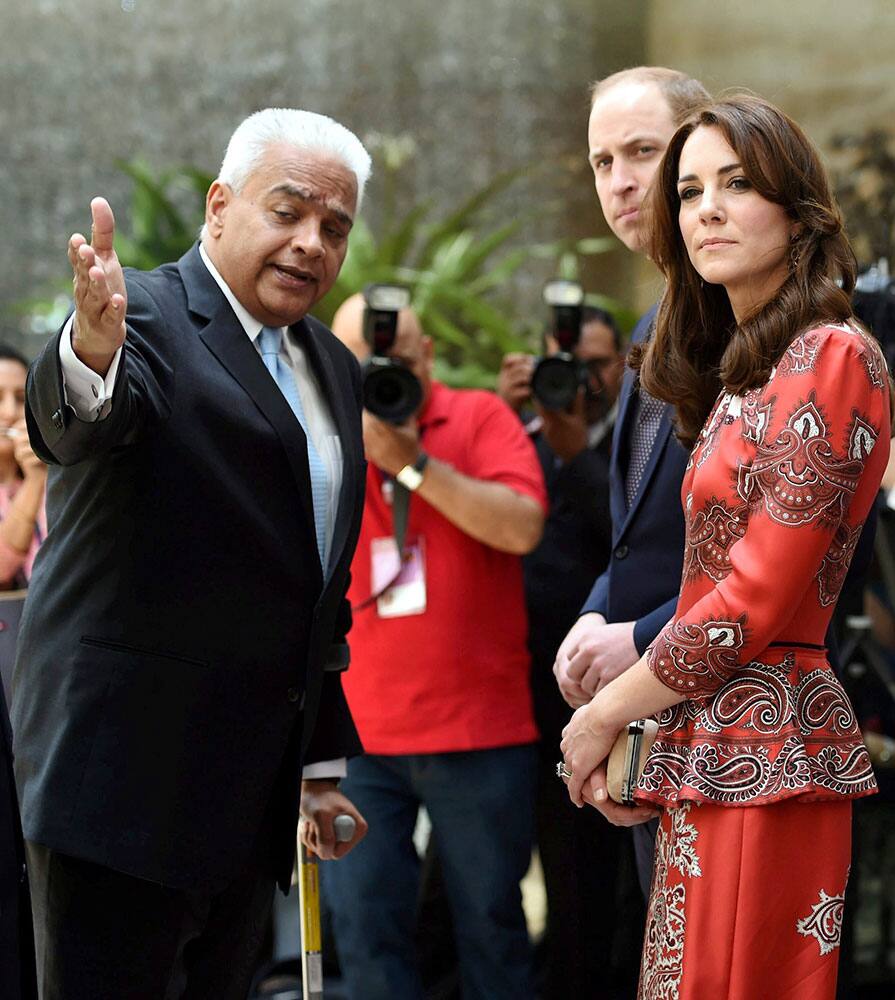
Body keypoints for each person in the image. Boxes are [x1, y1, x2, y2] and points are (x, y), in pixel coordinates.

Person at [12, 108, 373, 1000]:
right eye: (286, 212)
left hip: (247, 801)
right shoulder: (147, 317)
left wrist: (317, 768)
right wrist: (89, 347)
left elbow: (314, 588)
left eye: (334, 227)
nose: (309, 243)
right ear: (219, 206)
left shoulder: (330, 363)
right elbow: (85, 416)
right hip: (118, 792)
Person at [560, 94, 892, 999]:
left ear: (795, 209)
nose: (704, 207)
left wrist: (600, 716)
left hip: (772, 750)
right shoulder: (753, 370)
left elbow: (747, 603)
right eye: (690, 188)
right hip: (707, 744)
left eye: (737, 184)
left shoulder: (833, 356)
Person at [323, 293, 546, 1000]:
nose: (385, 369)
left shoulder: (480, 415)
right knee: (363, 926)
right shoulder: (321, 433)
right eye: (365, 361)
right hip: (358, 735)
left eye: (398, 353)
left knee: (490, 926)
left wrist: (412, 463)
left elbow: (521, 528)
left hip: (479, 732)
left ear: (425, 355)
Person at [553, 66, 710, 893]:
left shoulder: (762, 322)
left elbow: (782, 551)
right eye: (601, 161)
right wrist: (596, 613)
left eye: (641, 151)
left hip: (739, 722)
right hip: (652, 719)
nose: (619, 182)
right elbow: (642, 528)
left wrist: (640, 634)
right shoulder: (650, 323)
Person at [500, 309, 639, 998]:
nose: (582, 381)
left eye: (596, 364)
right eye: (566, 363)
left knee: (583, 884)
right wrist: (501, 419)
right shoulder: (513, 439)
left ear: (621, 366)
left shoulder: (637, 445)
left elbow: (631, 548)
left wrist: (573, 454)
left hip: (595, 700)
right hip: (500, 698)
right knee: (475, 881)